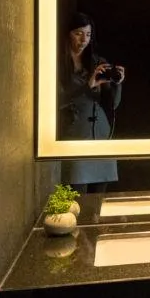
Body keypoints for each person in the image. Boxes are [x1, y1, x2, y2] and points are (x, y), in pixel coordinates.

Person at [59, 12, 126, 194]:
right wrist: (88, 85)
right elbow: (57, 101)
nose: (83, 40)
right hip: (75, 136)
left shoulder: (96, 62)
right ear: (68, 33)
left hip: (102, 136)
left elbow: (113, 105)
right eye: (78, 33)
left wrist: (116, 85)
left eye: (88, 35)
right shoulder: (57, 64)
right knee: (76, 202)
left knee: (96, 206)